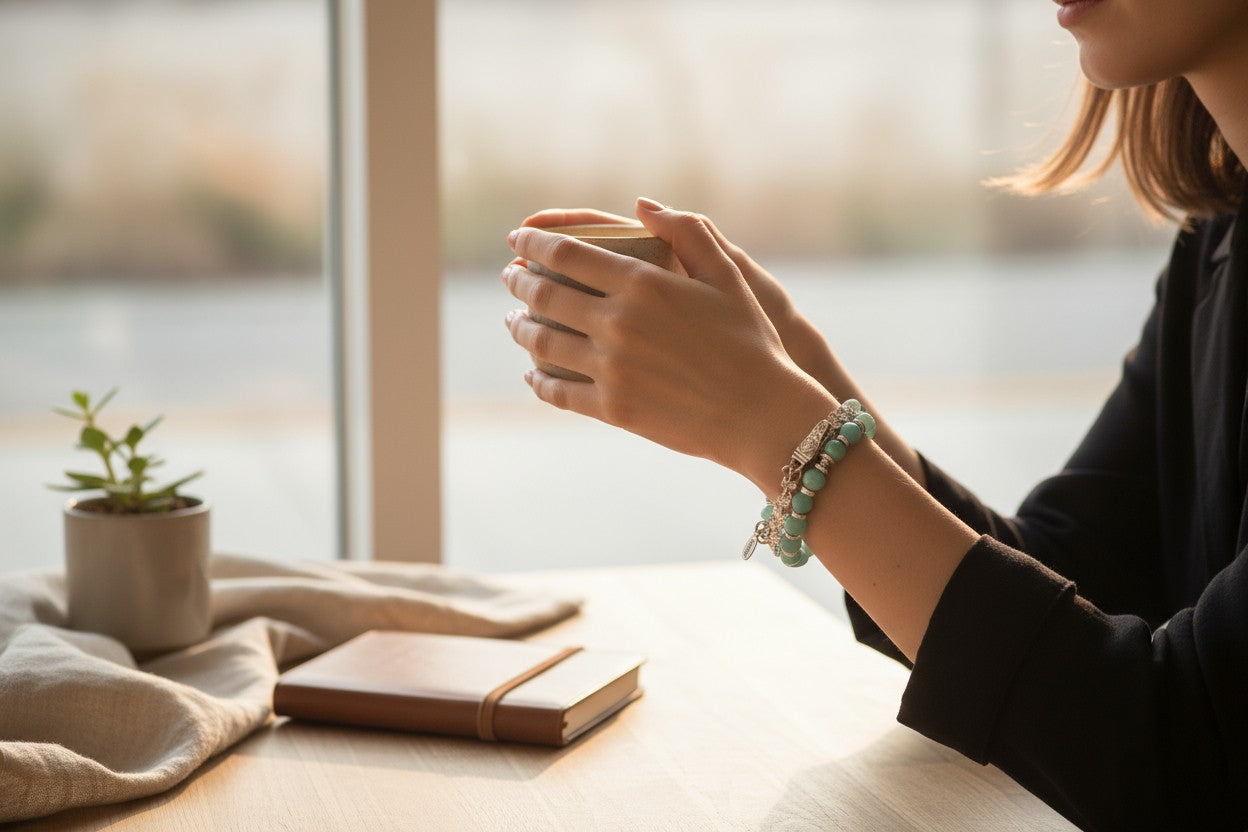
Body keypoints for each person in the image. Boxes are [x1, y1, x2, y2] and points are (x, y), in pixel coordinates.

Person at [501, 1, 1248, 828]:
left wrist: (777, 427)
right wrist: (799, 374)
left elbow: (1183, 754)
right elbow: (1066, 591)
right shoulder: (1219, 241)